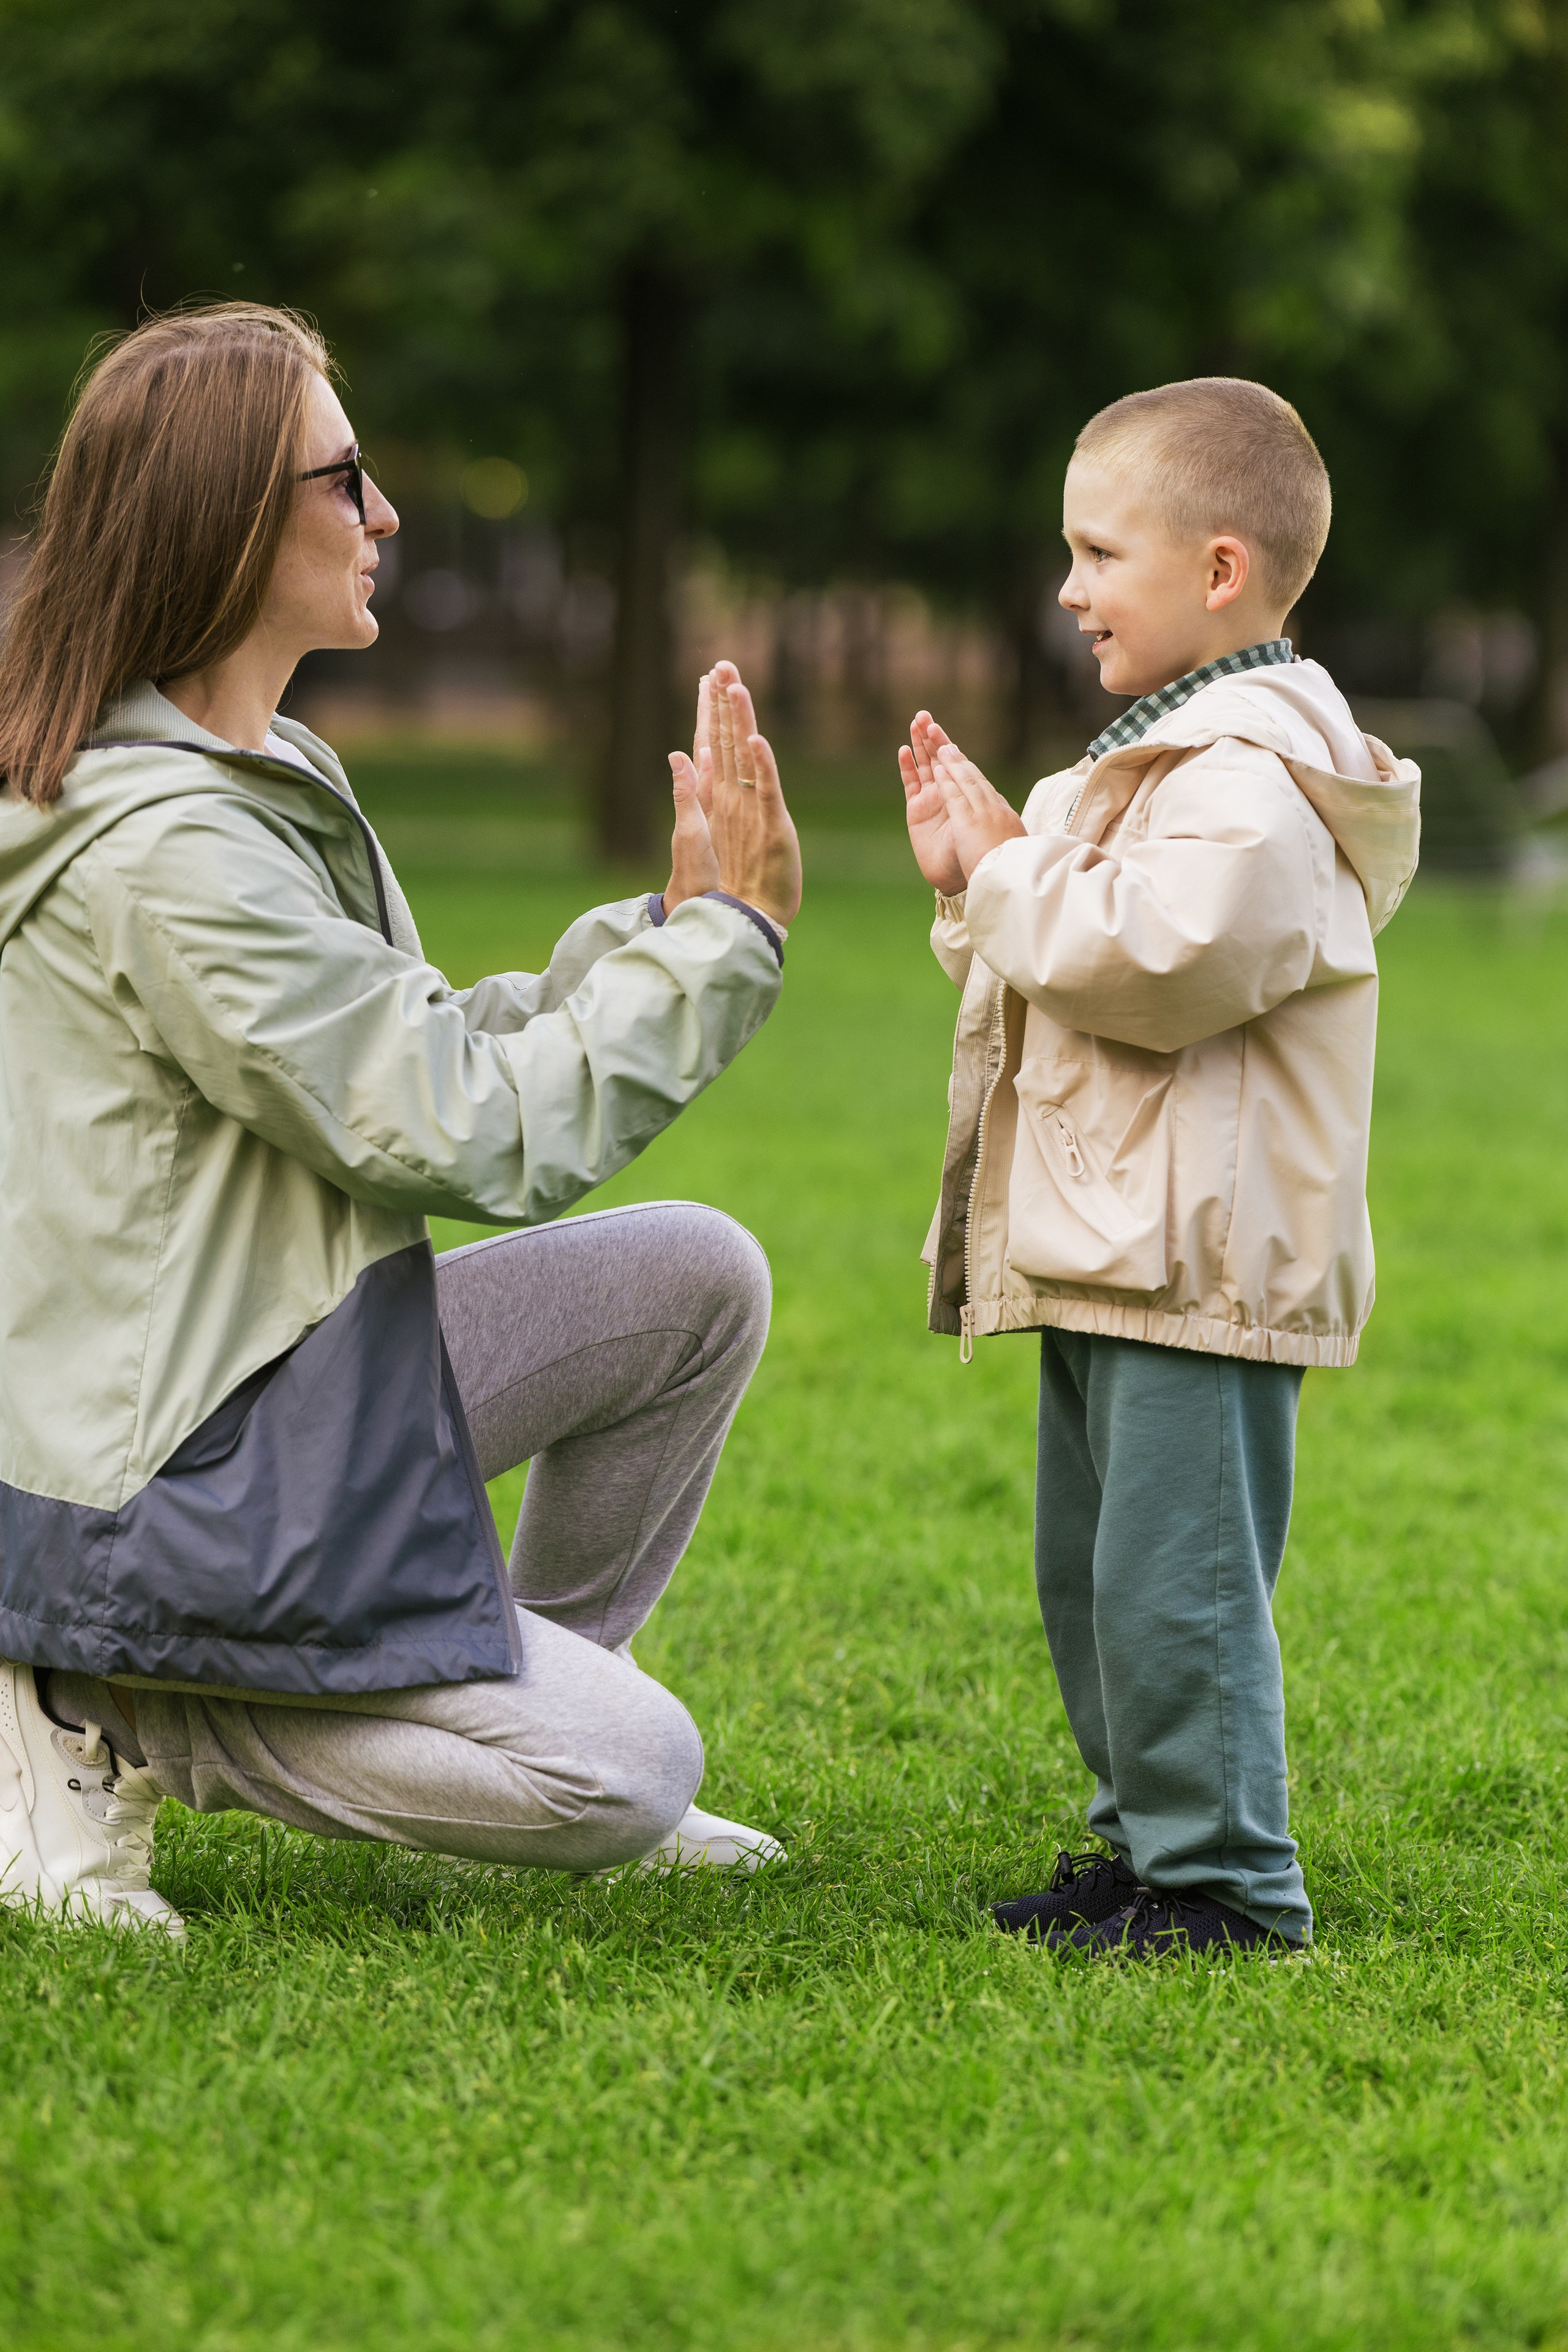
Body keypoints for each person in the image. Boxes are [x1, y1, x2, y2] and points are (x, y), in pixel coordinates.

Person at [0, 303, 802, 1938]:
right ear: (230, 520)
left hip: (288, 1369)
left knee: (696, 1279)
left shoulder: (259, 769)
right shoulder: (169, 849)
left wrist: (660, 934)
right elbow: (467, 1133)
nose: (385, 513)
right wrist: (727, 953)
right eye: (344, 478)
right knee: (629, 1775)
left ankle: (490, 1693)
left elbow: (404, 1045)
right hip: (167, 1481)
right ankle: (108, 1693)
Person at [898, 377, 1420, 1959]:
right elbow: (1065, 970)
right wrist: (982, 882)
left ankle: (1229, 1886)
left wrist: (1010, 871)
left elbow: (1163, 961)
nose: (1068, 588)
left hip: (1199, 1259)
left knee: (1177, 1587)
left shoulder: (1252, 780)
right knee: (1100, 1580)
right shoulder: (1169, 762)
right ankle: (1146, 1850)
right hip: (1118, 1244)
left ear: (1219, 571)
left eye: (1098, 552)